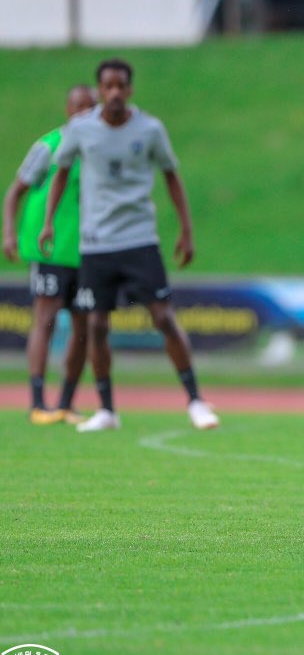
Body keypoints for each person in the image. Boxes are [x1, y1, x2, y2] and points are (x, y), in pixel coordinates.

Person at [39, 58, 219, 433]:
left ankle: (196, 401)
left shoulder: (150, 129)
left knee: (163, 317)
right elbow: (61, 173)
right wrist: (48, 222)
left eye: (122, 86)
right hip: (96, 243)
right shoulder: (81, 129)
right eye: (109, 87)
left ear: (130, 90)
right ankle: (107, 409)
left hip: (139, 239)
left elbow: (172, 176)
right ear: (100, 90)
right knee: (96, 325)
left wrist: (186, 231)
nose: (116, 93)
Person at [2, 86, 95, 425]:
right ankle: (38, 402)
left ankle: (67, 403)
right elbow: (16, 192)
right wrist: (9, 233)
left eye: (91, 107)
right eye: (78, 106)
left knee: (84, 325)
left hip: (87, 250)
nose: (84, 113)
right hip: (50, 247)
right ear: (67, 110)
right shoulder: (49, 146)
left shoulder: (100, 149)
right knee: (46, 318)